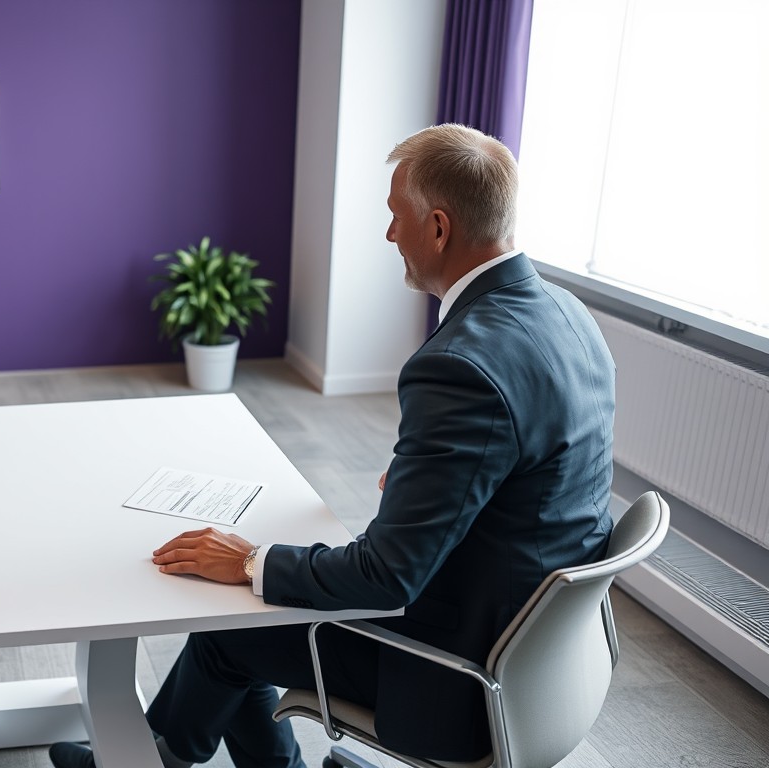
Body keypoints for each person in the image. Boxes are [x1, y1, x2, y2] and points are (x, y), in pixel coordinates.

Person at [49, 123, 617, 768]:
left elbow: (384, 578)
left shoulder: (460, 364)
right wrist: (442, 484)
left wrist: (250, 561)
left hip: (452, 671)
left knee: (229, 623)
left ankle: (148, 758)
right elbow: (541, 478)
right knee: (241, 625)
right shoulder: (567, 313)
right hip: (537, 658)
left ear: (438, 226)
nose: (389, 235)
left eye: (395, 216)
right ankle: (168, 752)